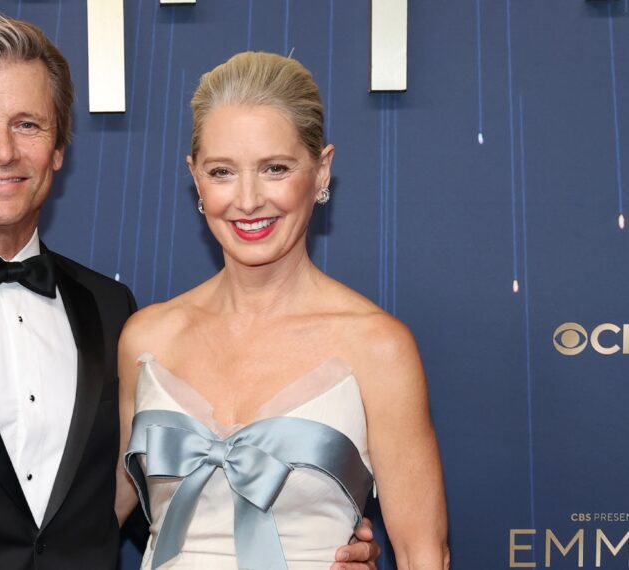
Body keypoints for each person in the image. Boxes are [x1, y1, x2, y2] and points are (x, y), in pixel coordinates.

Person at [0, 14, 381, 570]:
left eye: (27, 124)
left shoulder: (113, 314)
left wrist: (311, 532)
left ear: (59, 145)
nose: (2, 151)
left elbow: (156, 502)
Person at [115, 52, 450, 570]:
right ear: (196, 180)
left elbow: (423, 553)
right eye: (222, 171)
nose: (248, 200)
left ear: (322, 171)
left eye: (276, 168)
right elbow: (95, 518)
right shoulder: (146, 338)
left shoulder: (377, 346)